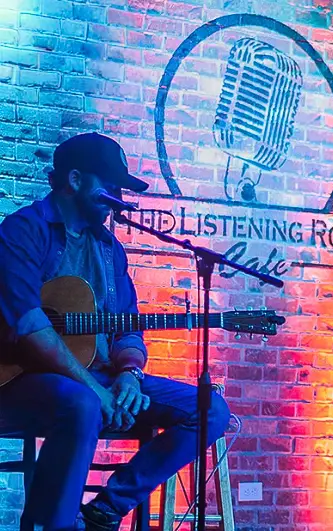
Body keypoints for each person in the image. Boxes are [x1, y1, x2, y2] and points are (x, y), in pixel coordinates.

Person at [0, 133, 231, 531]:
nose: (118, 198)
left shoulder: (109, 249)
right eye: (109, 188)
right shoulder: (23, 231)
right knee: (81, 404)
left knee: (211, 409)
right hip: (17, 383)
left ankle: (107, 507)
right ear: (74, 180)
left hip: (95, 378)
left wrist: (128, 373)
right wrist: (96, 389)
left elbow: (128, 328)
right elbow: (31, 328)